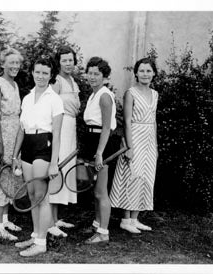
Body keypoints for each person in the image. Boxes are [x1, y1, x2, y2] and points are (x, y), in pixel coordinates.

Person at [12, 56, 64, 257]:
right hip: (27, 146)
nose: (40, 76)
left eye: (45, 73)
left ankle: (41, 243)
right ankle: (36, 236)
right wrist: (16, 155)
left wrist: (53, 163)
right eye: (37, 72)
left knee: (42, 197)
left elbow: (57, 134)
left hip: (44, 145)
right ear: (32, 72)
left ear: (51, 76)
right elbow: (21, 129)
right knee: (32, 195)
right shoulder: (27, 97)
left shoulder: (55, 99)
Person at [110, 57, 158, 234]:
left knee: (146, 177)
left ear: (153, 73)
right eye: (142, 70)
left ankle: (135, 219)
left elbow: (154, 122)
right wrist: (129, 146)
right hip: (134, 137)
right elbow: (127, 122)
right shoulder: (131, 93)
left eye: (148, 71)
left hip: (149, 140)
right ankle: (125, 219)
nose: (145, 74)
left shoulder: (155, 94)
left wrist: (156, 147)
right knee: (133, 176)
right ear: (136, 73)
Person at [0, 48, 24, 241]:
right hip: (4, 134)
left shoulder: (15, 84)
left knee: (11, 175)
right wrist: (0, 141)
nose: (14, 66)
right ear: (3, 64)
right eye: (11, 63)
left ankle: (5, 218)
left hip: (16, 134)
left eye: (17, 63)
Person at [82, 57, 117, 243]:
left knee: (101, 191)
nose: (92, 77)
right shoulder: (93, 94)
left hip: (101, 145)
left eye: (97, 74)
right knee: (94, 189)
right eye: (90, 73)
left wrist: (100, 153)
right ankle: (97, 225)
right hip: (92, 142)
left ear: (105, 77)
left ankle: (103, 233)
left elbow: (106, 127)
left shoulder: (104, 95)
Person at [48, 46, 80, 237]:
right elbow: (51, 108)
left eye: (71, 60)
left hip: (71, 128)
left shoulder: (73, 81)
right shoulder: (57, 81)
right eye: (64, 60)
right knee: (57, 169)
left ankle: (56, 218)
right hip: (60, 128)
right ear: (58, 62)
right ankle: (50, 222)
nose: (68, 63)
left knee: (66, 169)